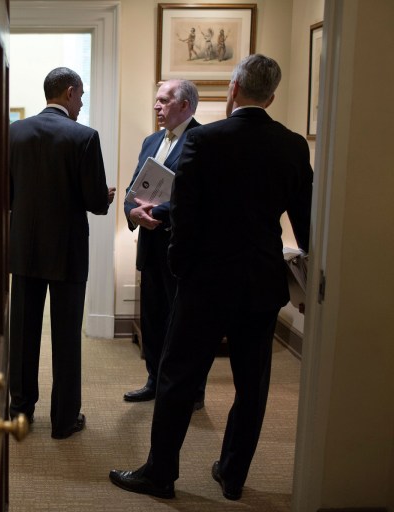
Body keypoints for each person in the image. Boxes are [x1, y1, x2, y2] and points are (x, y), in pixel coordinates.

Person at [109, 54, 312, 500]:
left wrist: (182, 269)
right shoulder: (295, 146)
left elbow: (185, 214)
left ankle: (160, 474)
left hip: (205, 282)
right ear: (272, 96)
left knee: (177, 376)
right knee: (252, 383)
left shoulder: (208, 140)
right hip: (261, 282)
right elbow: (307, 223)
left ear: (234, 90)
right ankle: (233, 476)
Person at [8, 67, 116, 440]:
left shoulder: (13, 132)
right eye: (81, 95)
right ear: (69, 93)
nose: (82, 103)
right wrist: (105, 196)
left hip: (23, 248)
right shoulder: (84, 136)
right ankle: (64, 420)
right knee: (67, 337)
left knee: (22, 333)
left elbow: (5, 195)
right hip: (67, 251)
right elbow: (95, 202)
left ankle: (20, 413)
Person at [122, 79, 206, 412]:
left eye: (164, 101)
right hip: (151, 245)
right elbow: (133, 190)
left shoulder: (203, 140)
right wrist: (133, 212)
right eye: (155, 100)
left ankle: (192, 390)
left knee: (186, 323)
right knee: (154, 318)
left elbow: (201, 198)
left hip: (184, 248)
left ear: (185, 105)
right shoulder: (150, 141)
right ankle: (154, 382)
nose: (157, 106)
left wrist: (155, 211)